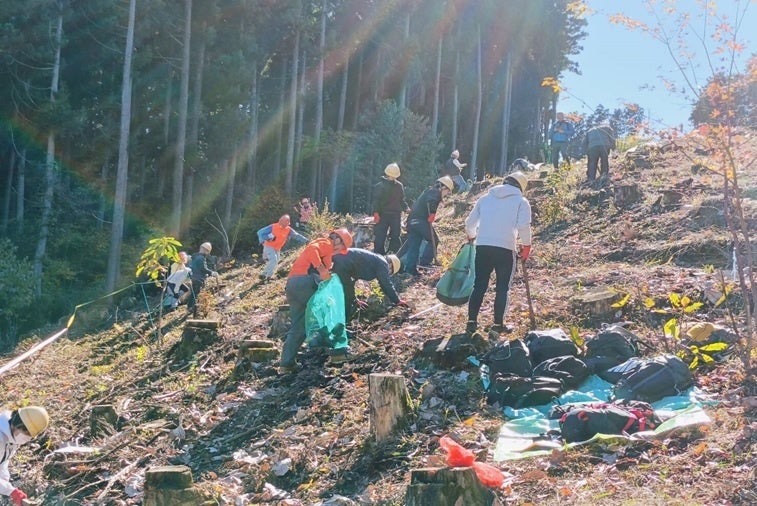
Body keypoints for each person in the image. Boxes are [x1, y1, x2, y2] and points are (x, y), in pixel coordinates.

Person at [464, 171, 532, 335]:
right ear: (520, 187)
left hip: (483, 247)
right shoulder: (521, 202)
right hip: (505, 248)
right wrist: (526, 246)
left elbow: (470, 223)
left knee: (479, 285)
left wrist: (472, 236)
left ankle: (472, 322)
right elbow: (523, 226)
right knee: (502, 288)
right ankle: (497, 324)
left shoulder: (485, 199)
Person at [280, 228, 352, 372]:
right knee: (329, 310)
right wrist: (321, 269)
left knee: (299, 326)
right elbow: (312, 249)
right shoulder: (327, 243)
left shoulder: (327, 253)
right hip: (306, 282)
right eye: (342, 247)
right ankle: (338, 353)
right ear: (337, 240)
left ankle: (286, 364)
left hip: (292, 286)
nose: (339, 251)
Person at [332, 249, 408, 318]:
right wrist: (397, 301)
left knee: (342, 293)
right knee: (346, 298)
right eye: (390, 272)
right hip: (342, 263)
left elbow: (351, 280)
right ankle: (343, 322)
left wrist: (355, 300)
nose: (387, 273)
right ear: (390, 265)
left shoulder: (375, 260)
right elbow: (386, 284)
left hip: (340, 261)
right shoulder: (383, 263)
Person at [403, 176, 453, 276]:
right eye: (447, 191)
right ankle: (425, 263)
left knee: (414, 246)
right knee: (433, 239)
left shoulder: (428, 191)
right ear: (444, 187)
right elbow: (432, 201)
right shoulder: (435, 192)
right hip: (420, 221)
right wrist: (432, 213)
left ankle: (410, 269)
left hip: (412, 221)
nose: (446, 194)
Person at [0, 406, 50, 506]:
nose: (27, 438)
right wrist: (10, 491)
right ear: (19, 425)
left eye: (30, 435)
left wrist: (4, 482)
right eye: (27, 433)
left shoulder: (12, 436)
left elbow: (3, 462)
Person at [372, 163, 410, 255]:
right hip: (383, 214)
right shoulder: (380, 186)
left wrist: (406, 208)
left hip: (395, 215)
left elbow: (401, 200)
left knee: (395, 236)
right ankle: (378, 255)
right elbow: (376, 201)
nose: (392, 178)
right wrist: (376, 213)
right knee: (380, 236)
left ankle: (393, 254)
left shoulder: (399, 186)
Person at [256, 214, 308, 281]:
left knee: (277, 261)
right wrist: (267, 238)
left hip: (277, 248)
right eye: (283, 220)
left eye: (287, 221)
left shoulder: (288, 229)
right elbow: (260, 232)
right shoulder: (273, 227)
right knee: (274, 260)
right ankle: (264, 274)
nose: (285, 222)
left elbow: (296, 235)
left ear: (288, 222)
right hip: (269, 246)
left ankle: (268, 276)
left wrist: (306, 241)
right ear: (280, 220)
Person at [187, 242, 218, 315]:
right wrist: (212, 273)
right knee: (196, 294)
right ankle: (193, 309)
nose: (207, 253)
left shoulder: (194, 257)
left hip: (193, 277)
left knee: (193, 293)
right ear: (206, 250)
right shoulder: (201, 258)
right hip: (198, 278)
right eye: (207, 251)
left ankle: (189, 307)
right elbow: (203, 268)